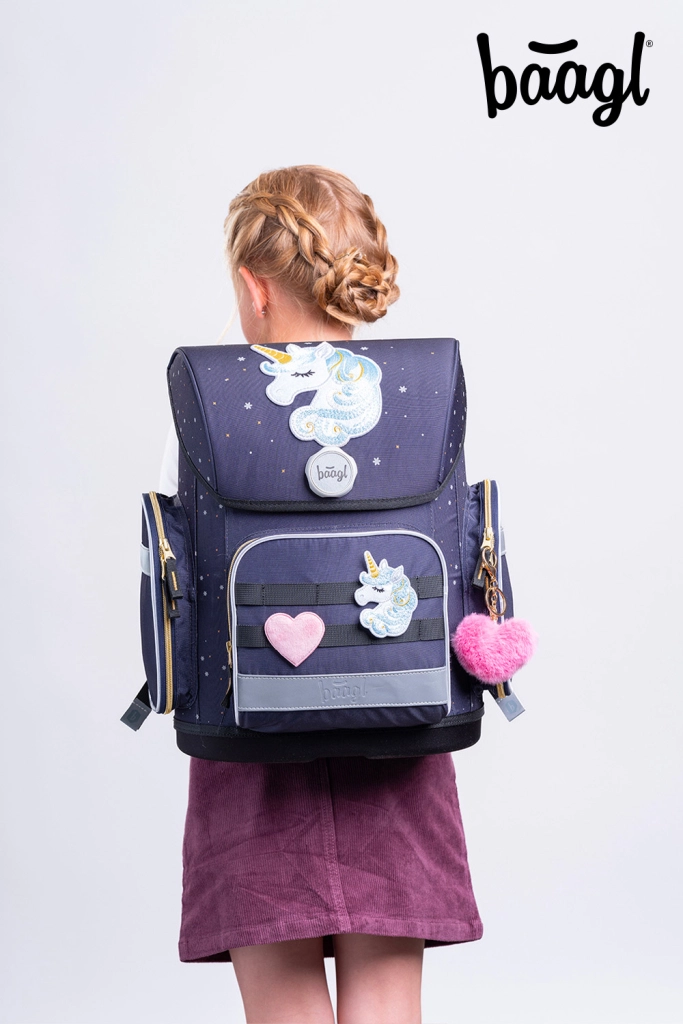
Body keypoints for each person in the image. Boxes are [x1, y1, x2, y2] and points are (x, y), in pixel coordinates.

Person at [160, 166, 483, 1024]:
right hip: (402, 716)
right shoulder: (425, 389)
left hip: (247, 730)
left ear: (253, 286)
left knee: (280, 991)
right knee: (387, 987)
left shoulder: (205, 394)